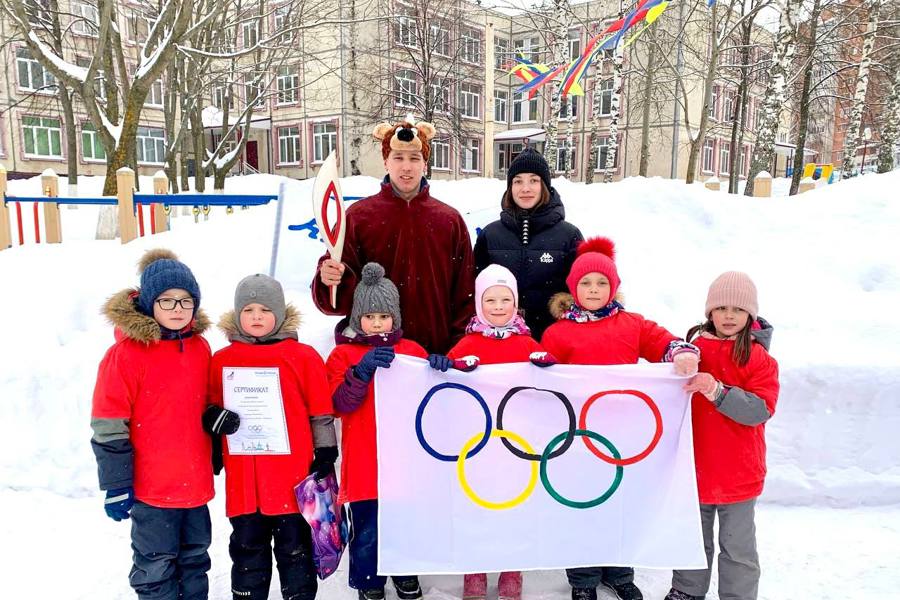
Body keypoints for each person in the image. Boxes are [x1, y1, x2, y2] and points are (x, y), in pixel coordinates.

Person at [540, 237, 701, 600]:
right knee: (581, 503)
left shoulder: (632, 324)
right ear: (573, 288)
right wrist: (540, 367)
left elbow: (665, 342)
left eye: (601, 282)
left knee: (620, 503)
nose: (593, 289)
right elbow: (539, 376)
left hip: (624, 434)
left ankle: (619, 569)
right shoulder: (558, 331)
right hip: (577, 437)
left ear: (613, 287)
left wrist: (681, 352)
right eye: (585, 283)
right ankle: (582, 578)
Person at [325, 263, 458, 600]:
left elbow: (433, 402)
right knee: (367, 527)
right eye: (370, 317)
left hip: (405, 461)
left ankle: (404, 573)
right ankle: (370, 582)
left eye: (384, 316)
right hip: (365, 460)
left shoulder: (411, 351)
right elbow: (339, 404)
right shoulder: (342, 354)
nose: (377, 323)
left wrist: (442, 369)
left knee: (404, 523)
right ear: (358, 318)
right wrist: (361, 371)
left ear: (395, 318)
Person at [90, 248, 214, 600]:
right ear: (148, 303)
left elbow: (206, 404)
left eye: (185, 301)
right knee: (155, 564)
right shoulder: (125, 355)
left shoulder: (200, 348)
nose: (177, 309)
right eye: (167, 301)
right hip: (151, 488)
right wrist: (116, 483)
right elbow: (108, 422)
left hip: (194, 484)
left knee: (194, 559)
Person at [205, 274, 336, 600]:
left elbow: (320, 411)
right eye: (248, 309)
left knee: (296, 550)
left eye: (264, 309)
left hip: (292, 478)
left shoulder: (302, 357)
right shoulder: (222, 361)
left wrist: (325, 450)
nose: (256, 316)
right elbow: (208, 408)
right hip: (245, 480)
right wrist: (214, 423)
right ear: (237, 314)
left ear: (279, 312)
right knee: (248, 550)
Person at [313, 115, 475, 354]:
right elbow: (335, 302)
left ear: (425, 163)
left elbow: (465, 293)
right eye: (398, 157)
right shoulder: (358, 217)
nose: (406, 166)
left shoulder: (449, 220)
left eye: (414, 158)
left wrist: (458, 347)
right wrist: (328, 280)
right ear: (386, 162)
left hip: (436, 354)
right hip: (376, 353)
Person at [665, 272, 779, 600]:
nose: (729, 316)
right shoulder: (693, 350)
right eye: (722, 308)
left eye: (738, 310)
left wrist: (716, 390)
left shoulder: (759, 359)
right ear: (709, 313)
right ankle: (686, 591)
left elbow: (759, 409)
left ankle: (739, 595)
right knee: (691, 540)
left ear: (750, 315)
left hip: (739, 472)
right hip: (695, 468)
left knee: (738, 548)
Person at [444, 264, 555, 600]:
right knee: (475, 506)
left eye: (505, 299)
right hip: (476, 443)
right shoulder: (466, 344)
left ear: (515, 303)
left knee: (514, 506)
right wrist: (450, 366)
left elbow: (550, 388)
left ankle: (511, 569)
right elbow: (443, 382)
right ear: (479, 303)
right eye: (490, 299)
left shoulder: (527, 344)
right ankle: (474, 570)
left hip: (516, 444)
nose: (497, 306)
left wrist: (548, 367)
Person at [473, 148, 583, 340]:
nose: (525, 188)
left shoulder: (569, 235)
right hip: (502, 343)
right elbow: (473, 289)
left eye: (534, 180)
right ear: (510, 187)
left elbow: (585, 291)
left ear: (545, 186)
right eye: (518, 181)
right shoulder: (490, 235)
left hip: (553, 342)